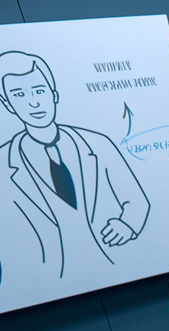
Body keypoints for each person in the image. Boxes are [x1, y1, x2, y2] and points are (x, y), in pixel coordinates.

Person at [0, 50, 149, 282]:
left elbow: (136, 199)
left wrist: (128, 224)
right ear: (7, 104)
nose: (33, 102)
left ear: (54, 94)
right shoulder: (3, 163)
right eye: (19, 94)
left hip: (110, 262)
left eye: (39, 90)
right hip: (45, 278)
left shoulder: (97, 143)